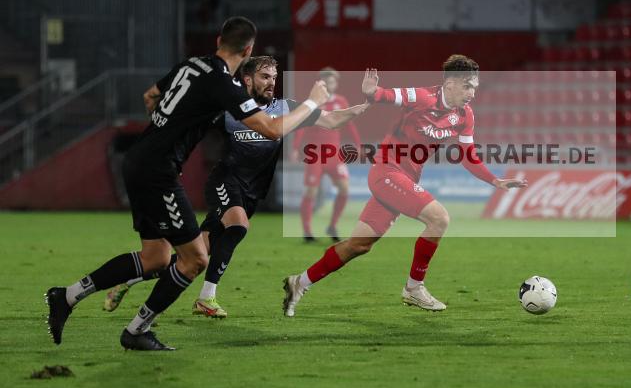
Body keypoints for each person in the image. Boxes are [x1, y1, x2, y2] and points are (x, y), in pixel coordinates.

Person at [45, 17, 330, 351]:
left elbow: (151, 96)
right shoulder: (223, 83)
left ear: (219, 39)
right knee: (195, 259)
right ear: (249, 49)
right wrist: (313, 101)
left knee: (155, 258)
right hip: (158, 172)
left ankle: (66, 296)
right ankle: (136, 330)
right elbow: (272, 129)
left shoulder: (191, 65)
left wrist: (167, 134)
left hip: (139, 160)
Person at [102, 56, 370, 319]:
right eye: (265, 77)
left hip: (252, 191)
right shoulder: (230, 107)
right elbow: (187, 124)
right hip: (225, 180)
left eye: (275, 78)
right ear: (248, 79)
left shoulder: (286, 108)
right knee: (238, 225)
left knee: (197, 253)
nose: (271, 82)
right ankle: (206, 297)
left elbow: (332, 119)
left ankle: (133, 278)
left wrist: (363, 107)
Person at [282, 55, 528, 315]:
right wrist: (371, 92)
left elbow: (468, 155)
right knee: (439, 218)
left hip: (404, 180)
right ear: (451, 83)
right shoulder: (422, 97)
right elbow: (387, 95)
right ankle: (414, 288)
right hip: (387, 172)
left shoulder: (464, 115)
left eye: (475, 88)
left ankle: (300, 282)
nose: (472, 94)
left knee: (359, 245)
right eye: (468, 86)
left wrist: (494, 180)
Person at [290, 67, 362, 243]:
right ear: (321, 83)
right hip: (315, 155)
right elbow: (302, 126)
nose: (331, 84)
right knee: (311, 192)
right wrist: (295, 148)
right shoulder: (312, 103)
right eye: (327, 81)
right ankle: (307, 231)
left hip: (334, 155)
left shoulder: (341, 101)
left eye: (333, 81)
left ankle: (332, 225)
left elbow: (349, 124)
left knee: (344, 189)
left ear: (336, 83)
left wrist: (358, 145)